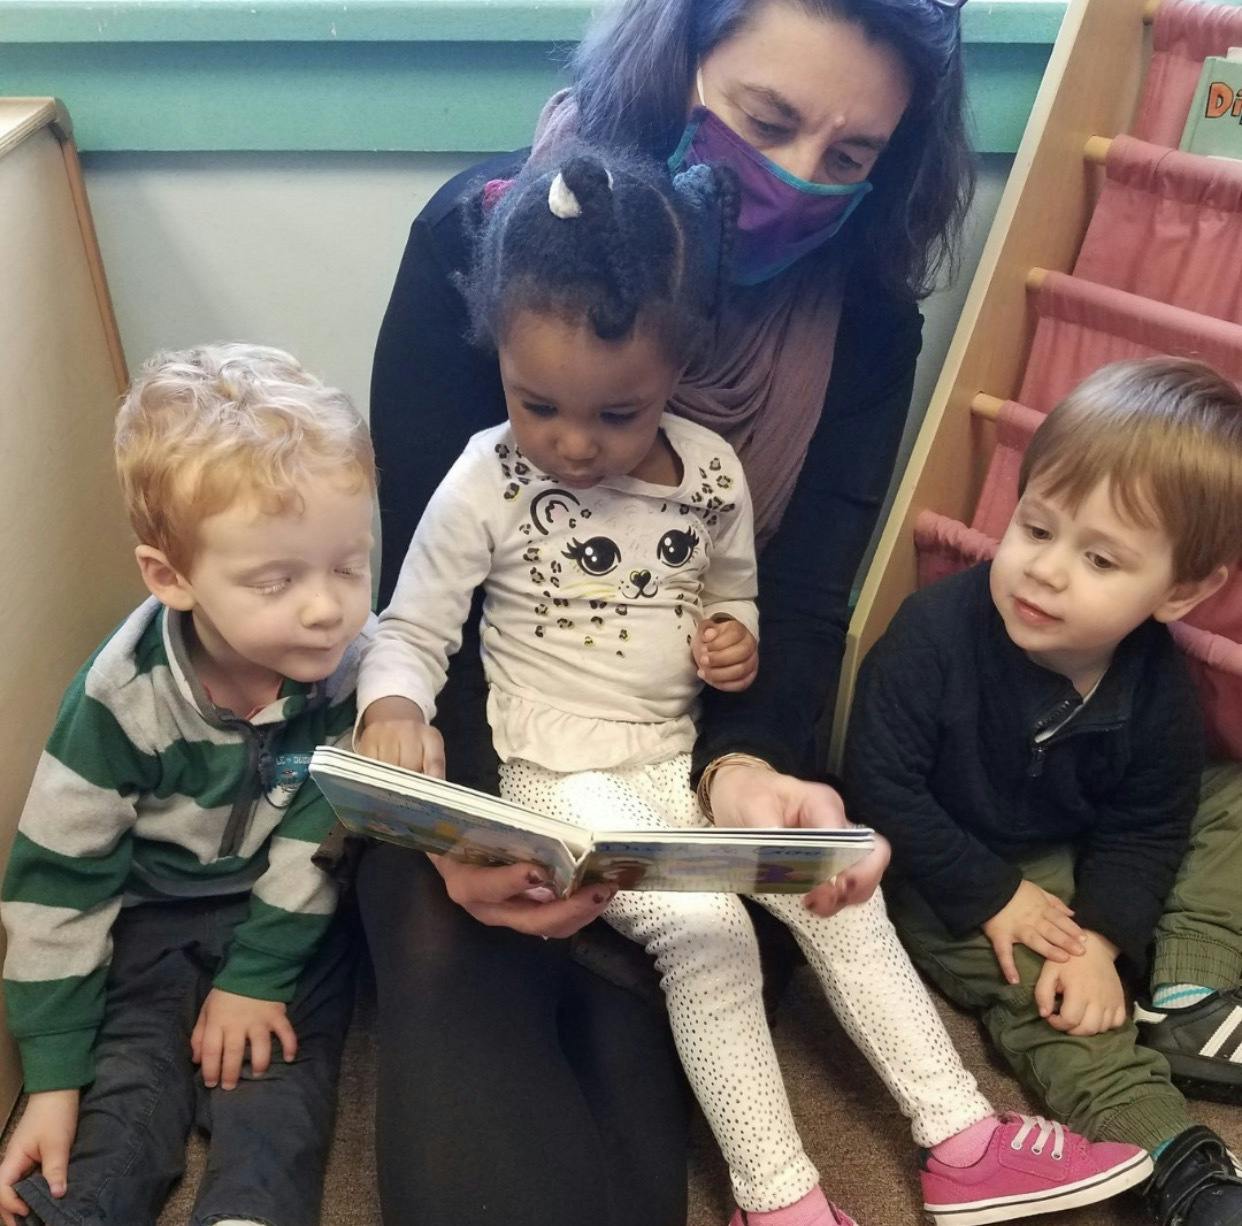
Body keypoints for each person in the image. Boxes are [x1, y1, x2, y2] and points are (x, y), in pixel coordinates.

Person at [360, 147, 1155, 1226]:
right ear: (497, 353)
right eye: (537, 403)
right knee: (712, 934)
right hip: (555, 777)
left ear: (678, 369)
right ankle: (777, 1197)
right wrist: (393, 706)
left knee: (839, 892)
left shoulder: (713, 474)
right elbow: (411, 626)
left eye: (618, 413)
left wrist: (732, 640)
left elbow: (735, 596)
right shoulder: (484, 478)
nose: (573, 444)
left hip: (676, 768)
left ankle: (963, 1138)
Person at [363, 1, 978, 1221]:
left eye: (851, 155)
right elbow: (424, 609)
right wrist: (466, 827)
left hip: (676, 772)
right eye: (766, 118)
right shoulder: (481, 236)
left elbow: (796, 605)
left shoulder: (861, 327)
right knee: (462, 1007)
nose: (798, 176)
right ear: (673, 65)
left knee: (689, 988)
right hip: (495, 750)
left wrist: (748, 765)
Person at [844, 357, 1242, 1226]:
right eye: (1035, 528)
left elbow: (1149, 823)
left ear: (1181, 590)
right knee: (1053, 998)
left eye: (1098, 558)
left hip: (1075, 841)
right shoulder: (933, 636)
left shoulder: (1158, 685)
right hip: (945, 866)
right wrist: (998, 897)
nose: (1046, 571)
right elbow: (880, 787)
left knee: (1232, 800)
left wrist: (1105, 936)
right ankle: (1171, 1151)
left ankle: (1187, 995)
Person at [0, 344, 376, 1226]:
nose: (327, 608)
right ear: (171, 577)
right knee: (129, 1079)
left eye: (351, 565)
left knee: (278, 1084)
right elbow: (58, 884)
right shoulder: (119, 699)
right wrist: (50, 1079)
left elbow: (318, 838)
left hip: (290, 920)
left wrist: (259, 977)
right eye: (276, 581)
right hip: (150, 922)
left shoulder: (356, 673)